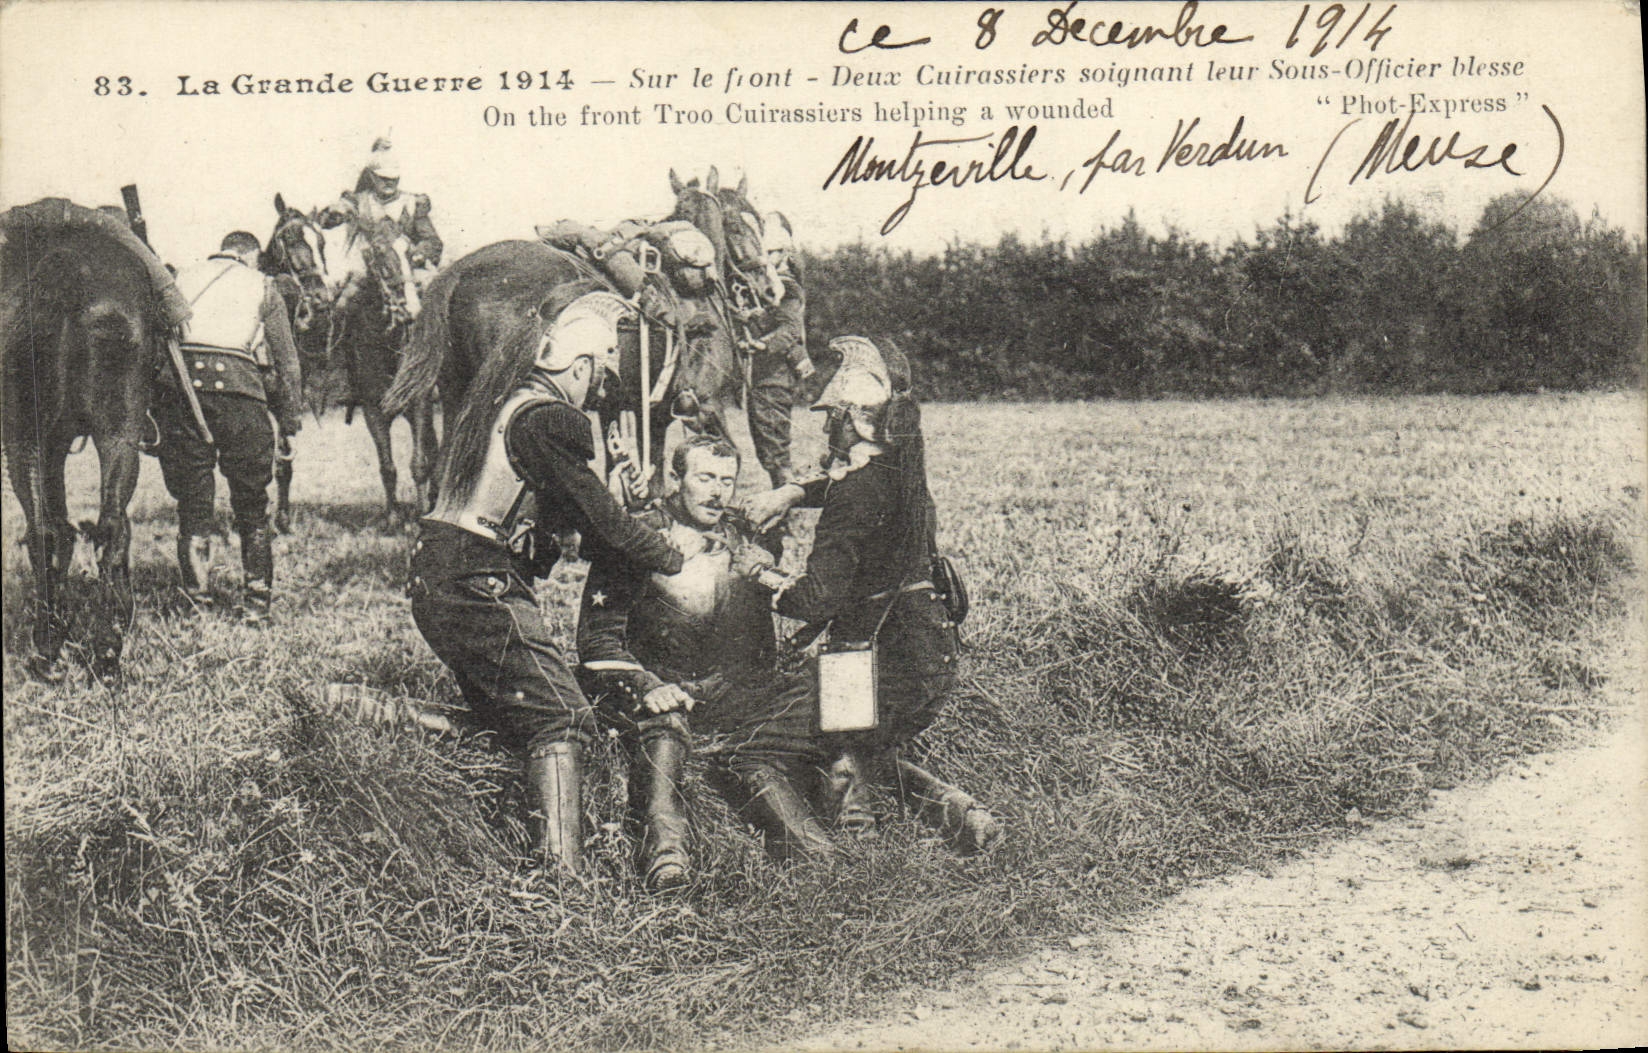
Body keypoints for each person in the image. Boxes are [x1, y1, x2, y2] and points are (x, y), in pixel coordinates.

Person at [408, 289, 691, 874]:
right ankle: (561, 881)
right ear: (580, 366)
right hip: (476, 581)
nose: (596, 392)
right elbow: (603, 524)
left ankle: (374, 715)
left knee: (507, 718)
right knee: (563, 718)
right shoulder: (550, 418)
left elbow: (560, 526)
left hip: (440, 572)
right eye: (597, 377)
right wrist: (668, 551)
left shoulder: (503, 405)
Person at [738, 336, 1002, 853]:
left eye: (831, 417)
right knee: (861, 745)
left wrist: (760, 576)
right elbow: (851, 484)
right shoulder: (903, 469)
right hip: (928, 658)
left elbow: (814, 599)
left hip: (870, 668)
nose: (825, 427)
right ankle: (960, 815)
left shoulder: (855, 498)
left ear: (857, 420)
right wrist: (793, 491)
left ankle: (824, 859)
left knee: (756, 751)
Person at [577, 434, 833, 890]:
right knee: (665, 723)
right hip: (666, 690)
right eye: (704, 478)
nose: (717, 491)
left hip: (737, 694)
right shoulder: (639, 533)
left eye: (726, 480)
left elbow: (779, 607)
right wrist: (646, 685)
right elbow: (597, 638)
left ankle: (819, 849)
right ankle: (666, 855)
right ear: (677, 479)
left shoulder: (744, 531)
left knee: (828, 692)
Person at [157, 231, 304, 621]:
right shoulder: (262, 284)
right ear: (252, 256)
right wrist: (289, 421)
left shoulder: (178, 276)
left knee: (192, 503)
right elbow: (287, 362)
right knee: (252, 504)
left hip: (183, 394)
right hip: (241, 394)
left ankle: (196, 604)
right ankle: (256, 604)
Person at [742, 212, 814, 489]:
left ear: (784, 253)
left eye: (770, 252)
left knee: (775, 452)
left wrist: (761, 344)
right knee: (770, 449)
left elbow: (789, 331)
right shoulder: (777, 286)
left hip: (775, 377)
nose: (764, 259)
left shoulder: (787, 287)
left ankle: (783, 512)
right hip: (767, 377)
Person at [319, 137, 443, 274]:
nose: (389, 183)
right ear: (372, 176)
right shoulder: (358, 201)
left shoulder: (411, 204)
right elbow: (324, 223)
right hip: (368, 271)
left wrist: (418, 254)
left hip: (406, 267)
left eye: (393, 179)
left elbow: (432, 241)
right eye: (383, 179)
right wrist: (335, 213)